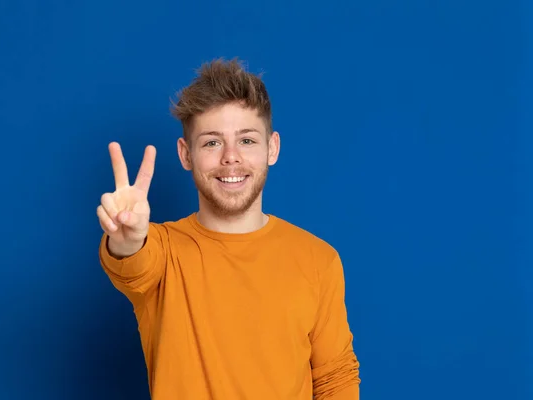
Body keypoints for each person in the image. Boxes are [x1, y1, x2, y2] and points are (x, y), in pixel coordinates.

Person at [96, 58, 360, 399]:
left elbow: (335, 379)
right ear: (185, 154)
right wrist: (128, 239)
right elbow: (131, 263)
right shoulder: (162, 252)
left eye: (247, 140)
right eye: (212, 142)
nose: (231, 157)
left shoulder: (318, 260)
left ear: (273, 148)